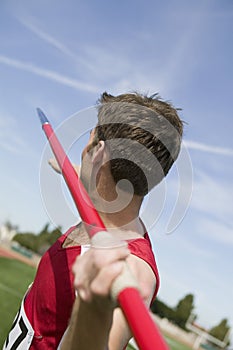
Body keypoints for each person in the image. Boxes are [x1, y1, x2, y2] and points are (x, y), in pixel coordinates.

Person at [4, 91, 183, 350]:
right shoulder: (104, 207)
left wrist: (94, 307)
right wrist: (68, 169)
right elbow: (97, 181)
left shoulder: (133, 273)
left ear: (96, 151)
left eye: (89, 137)